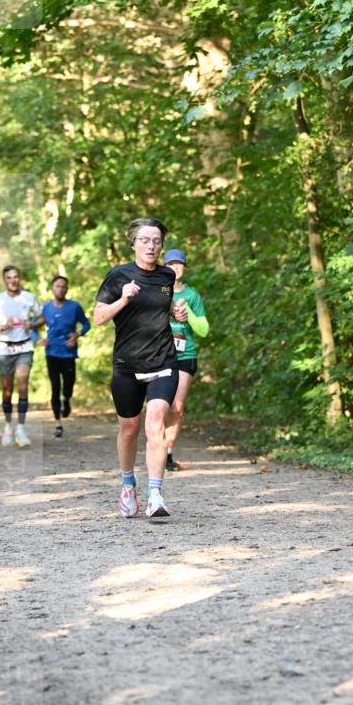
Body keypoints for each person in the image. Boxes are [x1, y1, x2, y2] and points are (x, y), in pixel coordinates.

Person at [93, 218, 188, 518]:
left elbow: (165, 309)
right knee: (129, 427)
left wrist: (177, 312)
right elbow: (98, 317)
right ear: (133, 243)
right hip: (127, 365)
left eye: (157, 241)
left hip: (163, 360)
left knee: (155, 422)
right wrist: (123, 299)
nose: (151, 245)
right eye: (145, 240)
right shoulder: (118, 275)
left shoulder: (166, 276)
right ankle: (126, 483)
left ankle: (155, 495)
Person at [0, 265, 44, 448]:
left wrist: (31, 326)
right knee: (7, 390)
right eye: (9, 278)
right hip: (3, 349)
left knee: (23, 381)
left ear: (20, 279)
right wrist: (0, 328)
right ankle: (8, 426)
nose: (13, 280)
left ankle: (21, 429)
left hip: (24, 346)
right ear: (4, 280)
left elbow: (42, 318)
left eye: (15, 277)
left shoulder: (28, 297)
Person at [163, 248, 209, 471]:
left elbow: (203, 330)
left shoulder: (192, 295)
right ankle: (157, 447)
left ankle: (168, 454)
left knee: (177, 407)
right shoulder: (159, 291)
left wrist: (187, 311)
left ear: (184, 267)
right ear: (164, 268)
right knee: (160, 406)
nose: (175, 267)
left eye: (179, 264)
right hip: (159, 356)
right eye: (170, 264)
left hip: (184, 356)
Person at [40, 275, 91, 438]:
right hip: (51, 353)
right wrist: (38, 340)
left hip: (68, 353)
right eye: (57, 286)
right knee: (55, 386)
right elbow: (33, 326)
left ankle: (67, 399)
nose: (60, 289)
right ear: (52, 288)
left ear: (67, 289)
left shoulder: (74, 306)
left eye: (63, 286)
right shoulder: (46, 308)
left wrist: (77, 334)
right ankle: (58, 423)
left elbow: (87, 323)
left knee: (68, 384)